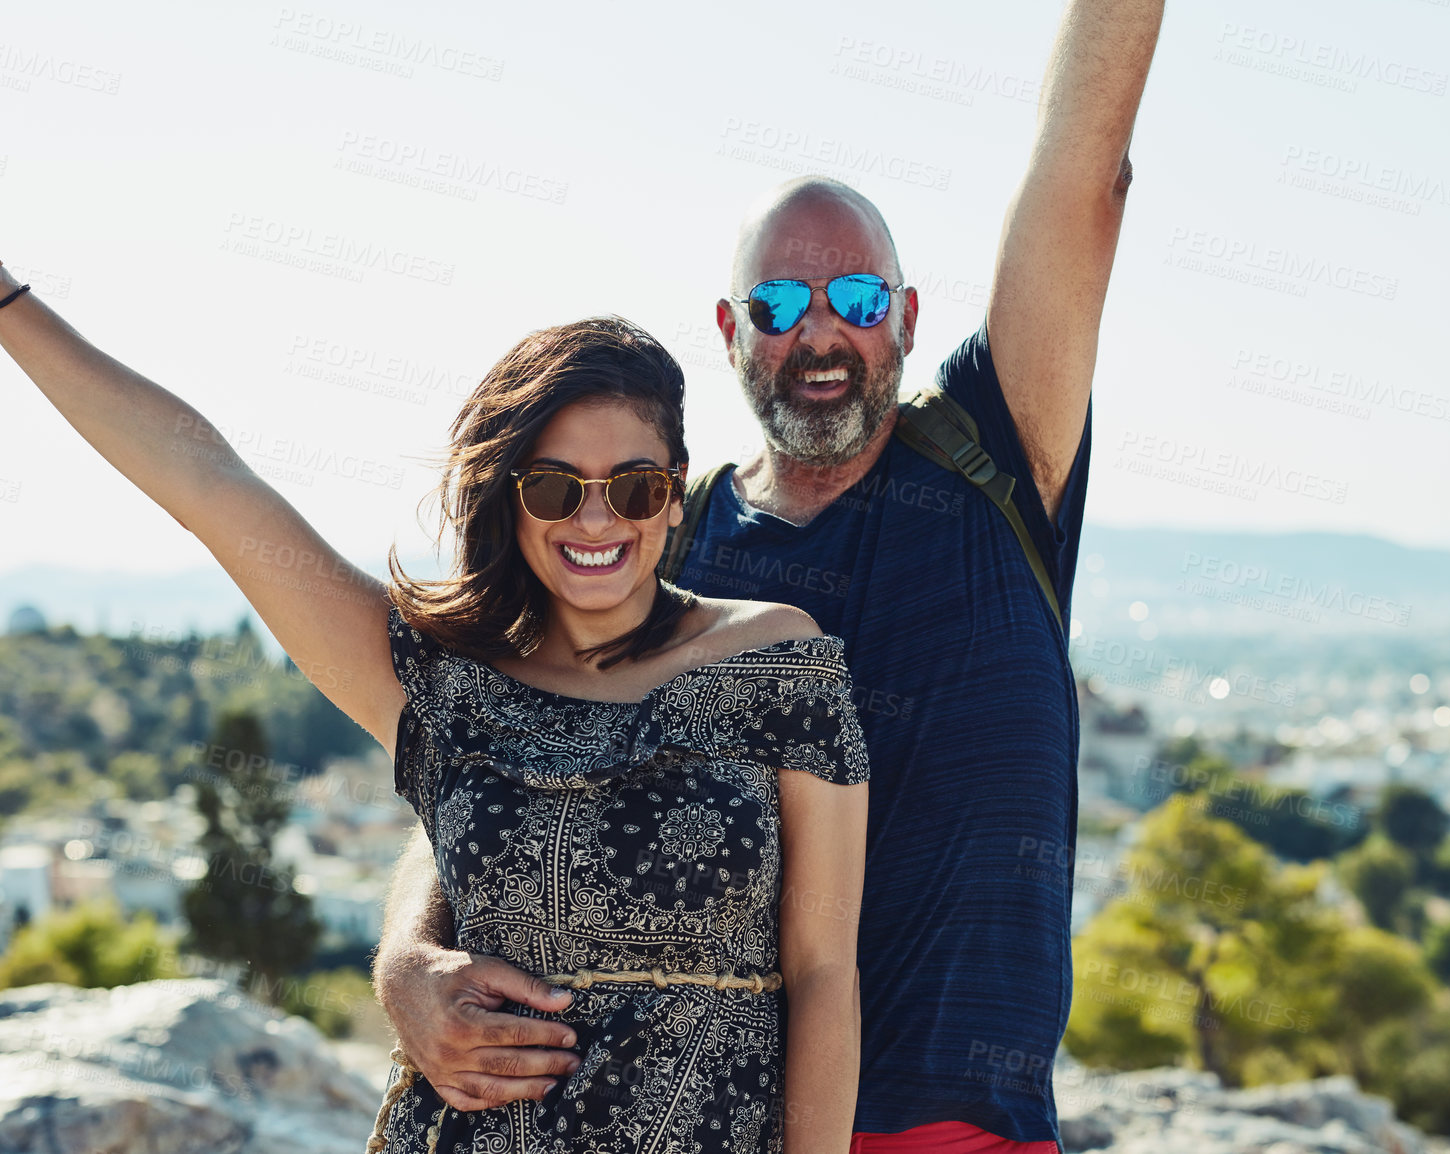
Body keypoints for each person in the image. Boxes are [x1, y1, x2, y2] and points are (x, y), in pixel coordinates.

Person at [0, 72, 869, 1154]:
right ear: (509, 500)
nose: (596, 517)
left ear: (673, 491)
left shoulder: (777, 662)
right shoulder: (444, 683)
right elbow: (211, 482)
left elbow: (821, 973)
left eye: (631, 484)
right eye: (552, 485)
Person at [370, 2, 1164, 1150]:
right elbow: (485, 752)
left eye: (854, 300)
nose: (823, 334)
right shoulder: (655, 538)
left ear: (902, 316)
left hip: (957, 1118)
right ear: (733, 328)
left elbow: (1084, 167)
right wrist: (408, 958)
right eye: (783, 306)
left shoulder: (1001, 451)